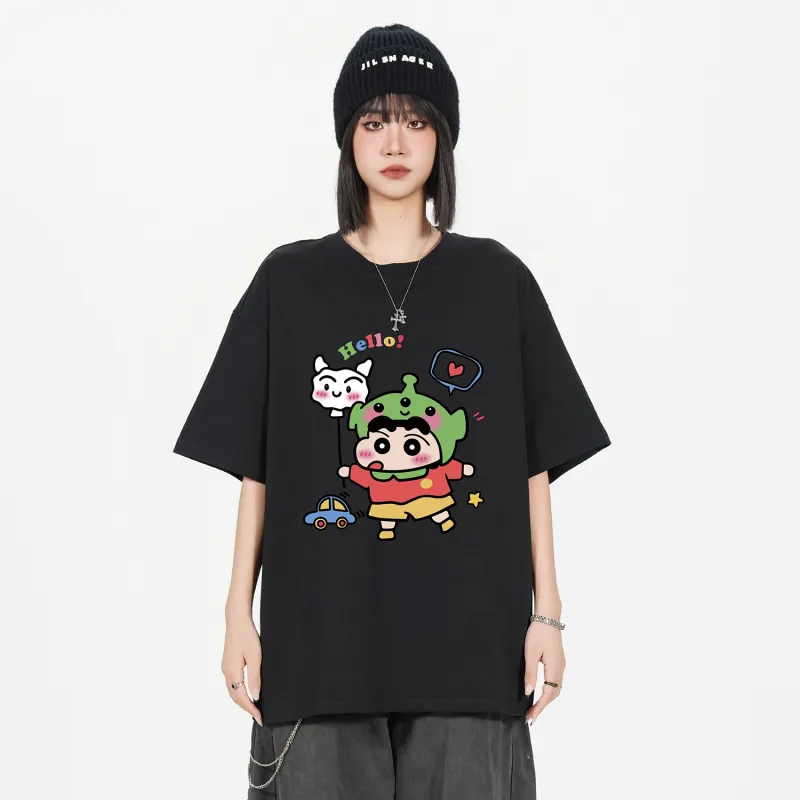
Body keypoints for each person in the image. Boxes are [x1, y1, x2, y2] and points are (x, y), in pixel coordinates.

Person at [173, 23, 611, 800]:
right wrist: (237, 613)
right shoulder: (289, 283)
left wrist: (549, 615)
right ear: (348, 139)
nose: (396, 142)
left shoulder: (497, 280)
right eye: (375, 121)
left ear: (444, 137)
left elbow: (533, 463)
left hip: (471, 653)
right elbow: (257, 466)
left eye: (416, 120)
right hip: (320, 653)